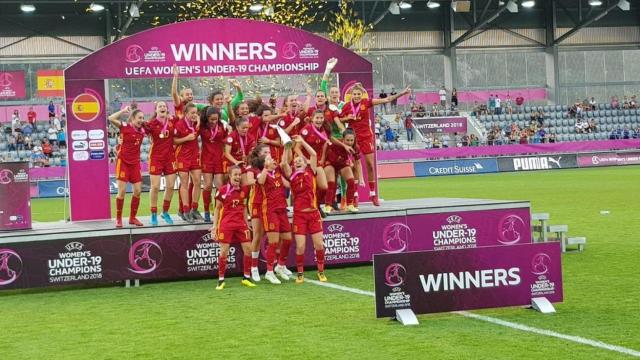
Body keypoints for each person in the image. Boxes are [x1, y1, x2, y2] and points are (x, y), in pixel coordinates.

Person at [339, 83, 410, 205]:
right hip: (353, 139)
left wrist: (402, 93)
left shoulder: (366, 102)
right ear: (351, 95)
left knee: (370, 165)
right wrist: (347, 118)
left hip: (366, 137)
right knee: (355, 165)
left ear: (361, 95)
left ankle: (372, 194)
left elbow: (387, 99)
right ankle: (355, 195)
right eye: (354, 94)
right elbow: (339, 119)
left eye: (358, 94)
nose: (356, 96)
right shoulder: (346, 107)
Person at [281, 136, 327, 283]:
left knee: (319, 244)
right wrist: (287, 147)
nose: (298, 160)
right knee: (300, 247)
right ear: (293, 165)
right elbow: (283, 163)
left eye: (300, 159)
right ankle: (300, 273)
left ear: (305, 162)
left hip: (313, 214)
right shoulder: (292, 175)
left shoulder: (311, 170)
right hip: (299, 216)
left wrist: (302, 141)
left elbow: (313, 154)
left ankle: (321, 271)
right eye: (295, 161)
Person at [210, 166, 257, 290]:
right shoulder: (223, 190)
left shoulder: (244, 190)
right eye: (235, 174)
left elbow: (244, 207)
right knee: (224, 252)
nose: (238, 177)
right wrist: (215, 226)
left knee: (248, 249)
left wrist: (247, 223)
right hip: (226, 224)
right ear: (230, 176)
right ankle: (221, 280)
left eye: (239, 174)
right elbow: (217, 208)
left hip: (241, 224)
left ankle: (246, 277)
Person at [257, 153, 292, 284]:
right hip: (270, 211)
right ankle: (269, 271)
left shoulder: (278, 172)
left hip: (282, 209)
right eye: (269, 159)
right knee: (273, 242)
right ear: (264, 163)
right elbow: (260, 181)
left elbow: (287, 184)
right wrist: (266, 168)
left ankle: (280, 266)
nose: (272, 160)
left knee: (288, 239)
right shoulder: (261, 174)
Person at [108, 106, 145, 228]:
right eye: (139, 118)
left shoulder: (143, 130)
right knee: (122, 191)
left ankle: (132, 218)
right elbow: (111, 118)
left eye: (143, 118)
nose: (141, 120)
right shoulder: (125, 126)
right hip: (123, 162)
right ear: (133, 118)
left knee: (138, 191)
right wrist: (123, 111)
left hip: (135, 164)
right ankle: (118, 219)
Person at [144, 101, 178, 226]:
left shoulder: (172, 121)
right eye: (160, 106)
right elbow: (140, 130)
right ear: (156, 110)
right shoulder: (151, 124)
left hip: (170, 158)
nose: (163, 108)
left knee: (170, 186)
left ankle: (165, 211)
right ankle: (153, 213)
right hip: (156, 158)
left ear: (167, 109)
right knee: (155, 187)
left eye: (164, 106)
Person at [174, 103, 203, 223]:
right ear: (186, 113)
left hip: (194, 155)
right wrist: (186, 138)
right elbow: (174, 141)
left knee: (197, 181)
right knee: (184, 182)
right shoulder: (179, 124)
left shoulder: (197, 123)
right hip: (182, 156)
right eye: (192, 113)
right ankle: (185, 210)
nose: (194, 115)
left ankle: (194, 209)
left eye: (196, 113)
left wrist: (199, 119)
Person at [199, 106, 228, 223]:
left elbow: (227, 141)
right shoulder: (201, 126)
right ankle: (206, 209)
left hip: (219, 159)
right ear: (207, 118)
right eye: (211, 119)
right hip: (206, 158)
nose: (214, 122)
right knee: (207, 186)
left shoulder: (222, 126)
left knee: (220, 187)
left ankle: (218, 210)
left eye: (216, 119)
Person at [300, 109, 331, 215]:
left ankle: (317, 205)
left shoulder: (323, 130)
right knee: (308, 188)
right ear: (312, 119)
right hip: (305, 163)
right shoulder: (306, 129)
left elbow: (323, 145)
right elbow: (296, 148)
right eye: (317, 118)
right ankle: (310, 208)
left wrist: (322, 158)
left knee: (324, 187)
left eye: (321, 118)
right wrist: (305, 160)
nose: (319, 120)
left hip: (316, 162)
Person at [325, 129, 361, 213]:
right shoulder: (337, 143)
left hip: (342, 164)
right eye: (347, 140)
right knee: (331, 183)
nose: (349, 142)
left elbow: (358, 163)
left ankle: (350, 205)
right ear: (343, 139)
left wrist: (361, 178)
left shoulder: (355, 147)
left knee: (351, 181)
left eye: (351, 140)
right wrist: (322, 160)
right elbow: (327, 142)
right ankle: (327, 206)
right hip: (330, 163)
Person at [224, 116, 256, 184]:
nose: (245, 130)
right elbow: (227, 153)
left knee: (245, 185)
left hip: (242, 163)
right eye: (243, 128)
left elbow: (251, 153)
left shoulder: (250, 138)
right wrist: (235, 162)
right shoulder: (231, 136)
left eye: (247, 128)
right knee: (227, 184)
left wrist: (248, 158)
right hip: (231, 163)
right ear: (237, 127)